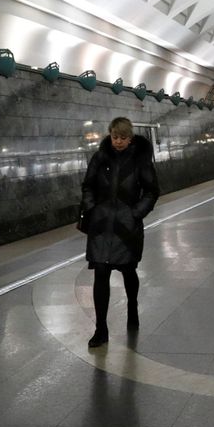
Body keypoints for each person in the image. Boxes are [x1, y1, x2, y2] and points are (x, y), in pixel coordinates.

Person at [79, 116, 159, 348]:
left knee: (128, 270)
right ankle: (100, 329)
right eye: (115, 137)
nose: (118, 142)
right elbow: (88, 185)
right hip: (101, 225)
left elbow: (152, 191)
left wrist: (135, 214)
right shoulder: (100, 157)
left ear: (130, 138)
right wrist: (92, 208)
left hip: (126, 226)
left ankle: (132, 306)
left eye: (123, 138)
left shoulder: (140, 160)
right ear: (110, 134)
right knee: (100, 272)